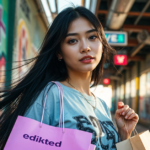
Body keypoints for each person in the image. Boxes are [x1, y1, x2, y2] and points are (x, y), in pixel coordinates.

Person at [0, 6, 139, 150]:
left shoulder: (102, 105)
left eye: (92, 37)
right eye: (72, 40)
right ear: (59, 52)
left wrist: (123, 135)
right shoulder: (51, 94)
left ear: (102, 43)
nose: (85, 47)